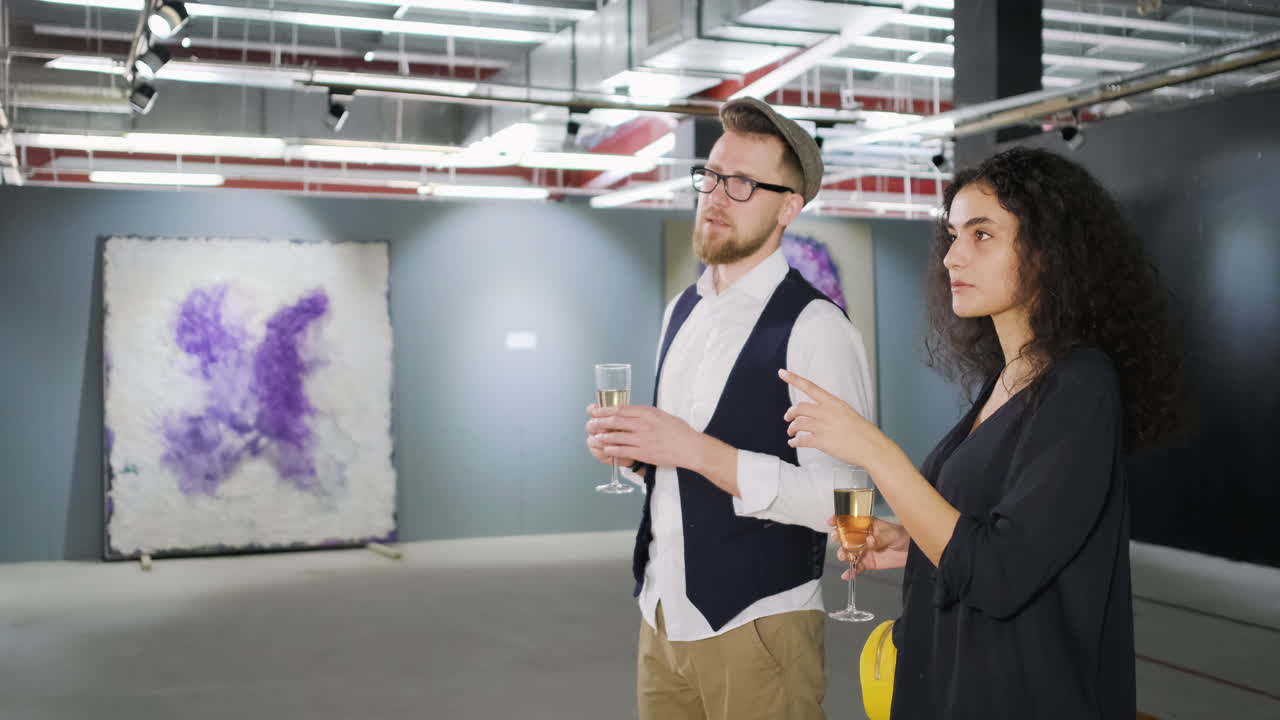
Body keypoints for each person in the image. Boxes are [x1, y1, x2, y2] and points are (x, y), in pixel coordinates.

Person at [778, 146, 1180, 720]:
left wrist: (872, 447)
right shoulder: (1010, 375)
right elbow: (994, 528)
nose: (952, 258)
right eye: (952, 236)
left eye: (982, 235)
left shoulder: (1082, 385)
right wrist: (914, 540)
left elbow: (999, 574)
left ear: (1048, 251)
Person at [585, 97, 874, 720]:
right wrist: (640, 459)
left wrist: (696, 451)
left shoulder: (816, 328)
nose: (715, 195)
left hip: (760, 626)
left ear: (788, 208)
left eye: (742, 184)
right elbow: (683, 472)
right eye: (711, 176)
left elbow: (848, 503)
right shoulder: (680, 310)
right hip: (662, 616)